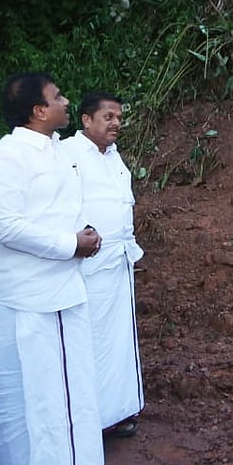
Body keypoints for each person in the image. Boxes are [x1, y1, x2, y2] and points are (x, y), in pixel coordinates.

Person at [0, 72, 113, 465]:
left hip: (65, 287)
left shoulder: (59, 152)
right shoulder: (5, 157)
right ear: (38, 110)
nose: (67, 101)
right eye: (59, 97)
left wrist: (85, 234)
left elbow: (63, 211)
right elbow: (5, 227)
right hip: (23, 295)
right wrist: (71, 243)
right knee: (20, 396)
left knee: (71, 387)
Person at [62, 92, 145, 439]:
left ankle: (118, 411)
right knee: (89, 341)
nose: (116, 124)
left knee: (120, 343)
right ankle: (88, 420)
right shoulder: (67, 154)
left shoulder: (113, 156)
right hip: (86, 267)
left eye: (119, 118)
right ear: (86, 120)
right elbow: (62, 204)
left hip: (118, 264)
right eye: (108, 117)